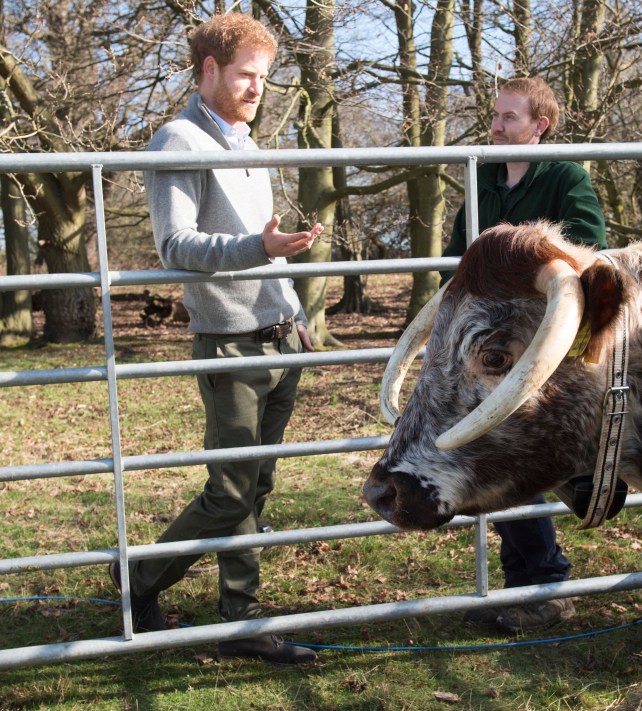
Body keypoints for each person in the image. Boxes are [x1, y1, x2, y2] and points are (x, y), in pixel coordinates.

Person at [108, 13, 321, 665]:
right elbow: (178, 244)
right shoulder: (176, 140)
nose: (259, 87)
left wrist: (294, 309)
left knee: (256, 486)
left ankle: (242, 616)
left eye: (265, 76)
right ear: (209, 70)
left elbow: (270, 244)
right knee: (230, 489)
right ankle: (138, 578)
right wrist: (259, 247)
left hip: (280, 337)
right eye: (246, 75)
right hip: (230, 342)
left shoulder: (248, 143)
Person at [442, 77, 607, 632]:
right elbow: (455, 258)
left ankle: (543, 581)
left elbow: (586, 240)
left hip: (543, 344)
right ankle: (530, 583)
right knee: (496, 448)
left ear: (540, 125)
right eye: (495, 115)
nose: (495, 126)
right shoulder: (482, 177)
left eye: (509, 118)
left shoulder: (565, 175)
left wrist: (512, 250)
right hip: (488, 349)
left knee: (513, 449)